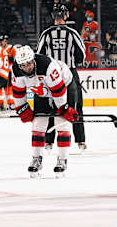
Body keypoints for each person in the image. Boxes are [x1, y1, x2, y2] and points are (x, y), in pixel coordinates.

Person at [12, 45, 80, 178]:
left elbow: (58, 91)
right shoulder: (16, 70)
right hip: (41, 88)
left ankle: (62, 159)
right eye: (23, 65)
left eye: (29, 63)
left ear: (33, 60)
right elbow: (18, 93)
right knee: (38, 122)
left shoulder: (47, 66)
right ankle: (36, 159)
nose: (27, 68)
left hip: (64, 85)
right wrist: (22, 109)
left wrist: (63, 109)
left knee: (62, 121)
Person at [37, 4, 87, 151]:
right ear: (66, 16)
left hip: (51, 74)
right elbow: (82, 55)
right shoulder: (72, 33)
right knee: (76, 106)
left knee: (50, 106)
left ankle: (48, 141)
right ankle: (80, 141)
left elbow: (39, 56)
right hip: (70, 73)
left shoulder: (45, 34)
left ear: (53, 17)